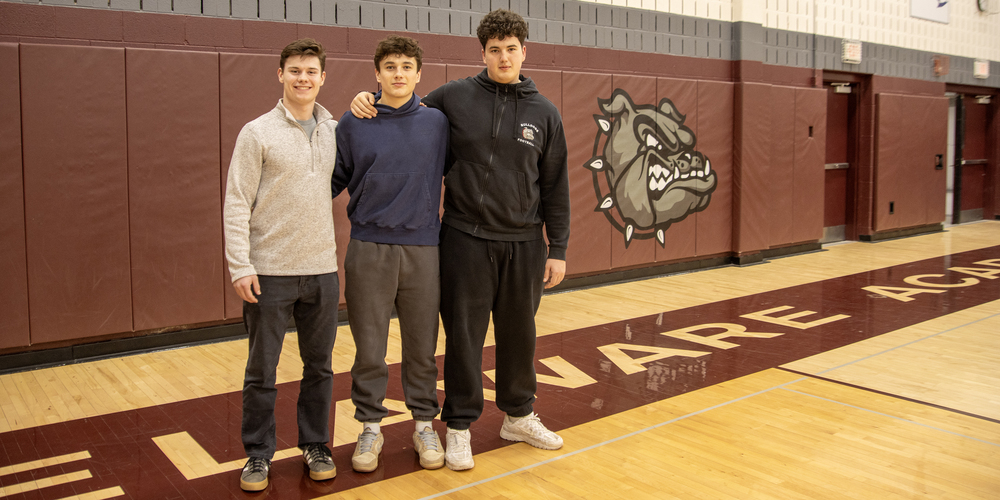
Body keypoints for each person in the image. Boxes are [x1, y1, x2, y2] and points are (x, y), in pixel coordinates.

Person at [350, 9, 570, 471]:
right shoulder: (454, 96)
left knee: (519, 335)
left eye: (512, 49)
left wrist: (560, 249)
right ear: (483, 53)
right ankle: (460, 427)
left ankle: (518, 415)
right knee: (464, 339)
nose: (504, 56)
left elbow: (555, 185)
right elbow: (401, 105)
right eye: (495, 50)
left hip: (525, 243)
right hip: (465, 238)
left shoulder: (545, 112)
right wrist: (365, 100)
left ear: (524, 52)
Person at [224, 38, 339, 492]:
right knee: (262, 371)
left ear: (323, 77)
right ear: (280, 75)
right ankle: (257, 454)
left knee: (320, 367)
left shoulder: (334, 129)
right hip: (269, 272)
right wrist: (240, 265)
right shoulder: (256, 133)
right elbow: (236, 203)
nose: (303, 78)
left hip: (322, 271)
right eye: (294, 70)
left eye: (311, 71)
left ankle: (316, 444)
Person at [332, 35, 449, 473]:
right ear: (376, 73)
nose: (398, 74)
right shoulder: (353, 121)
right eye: (390, 67)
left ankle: (423, 425)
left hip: (424, 248)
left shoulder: (438, 122)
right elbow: (331, 181)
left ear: (419, 74)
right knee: (369, 349)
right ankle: (369, 427)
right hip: (368, 248)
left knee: (422, 348)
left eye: (406, 67)